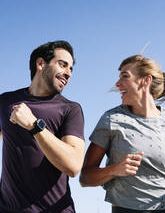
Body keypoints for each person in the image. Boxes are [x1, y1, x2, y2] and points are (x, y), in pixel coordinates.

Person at [0, 41, 85, 213]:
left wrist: (34, 125)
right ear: (40, 64)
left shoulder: (70, 109)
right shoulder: (5, 101)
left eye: (71, 69)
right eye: (63, 65)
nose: (68, 73)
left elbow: (73, 166)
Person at [80, 54, 165, 212]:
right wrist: (114, 169)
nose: (117, 84)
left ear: (146, 80)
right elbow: (85, 178)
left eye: (125, 76)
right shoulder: (112, 119)